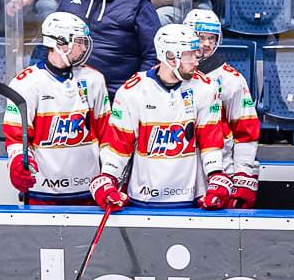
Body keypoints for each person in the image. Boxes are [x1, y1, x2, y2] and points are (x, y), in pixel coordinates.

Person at [92, 22, 228, 210]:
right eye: (189, 55)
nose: (196, 61)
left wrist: (215, 174)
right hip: (143, 198)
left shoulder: (206, 88)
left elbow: (210, 140)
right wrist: (108, 177)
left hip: (190, 198)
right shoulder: (132, 91)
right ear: (171, 57)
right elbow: (118, 144)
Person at [0, 9, 108, 204]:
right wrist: (17, 162)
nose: (84, 48)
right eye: (79, 42)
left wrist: (109, 177)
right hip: (42, 193)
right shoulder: (26, 83)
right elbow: (15, 138)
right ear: (60, 43)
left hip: (88, 192)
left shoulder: (94, 79)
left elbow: (107, 135)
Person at [185, 8, 259, 208]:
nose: (207, 44)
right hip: (181, 170)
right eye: (201, 37)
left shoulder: (231, 79)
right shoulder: (170, 75)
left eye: (212, 38)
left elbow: (246, 130)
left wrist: (243, 173)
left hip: (221, 171)